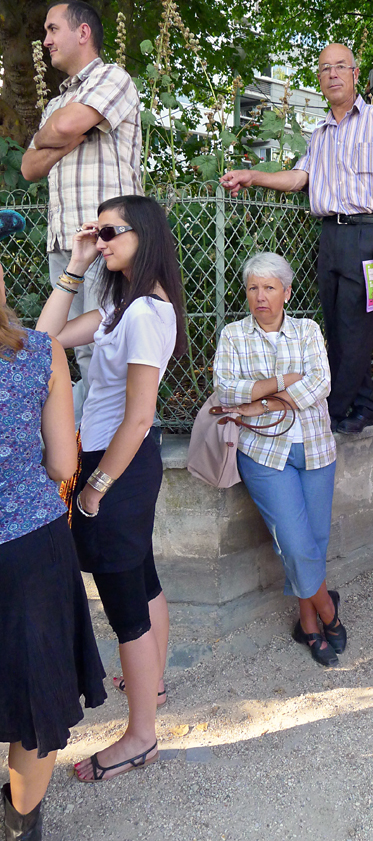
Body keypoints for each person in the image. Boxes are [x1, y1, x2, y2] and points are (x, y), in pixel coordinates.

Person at [36, 195, 186, 783]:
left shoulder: (146, 314)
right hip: (116, 462)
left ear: (142, 234)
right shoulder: (123, 308)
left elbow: (141, 415)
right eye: (96, 233)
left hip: (116, 465)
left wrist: (96, 486)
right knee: (140, 578)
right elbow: (46, 337)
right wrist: (75, 264)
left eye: (108, 232)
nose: (100, 242)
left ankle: (141, 735)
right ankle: (155, 684)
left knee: (124, 601)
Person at [220, 43, 373, 435]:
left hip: (369, 233)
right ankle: (359, 407)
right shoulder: (320, 134)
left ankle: (328, 410)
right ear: (319, 78)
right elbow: (298, 178)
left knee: (360, 328)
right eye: (325, 68)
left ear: (356, 73)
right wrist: (253, 176)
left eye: (340, 66)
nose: (332, 74)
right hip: (330, 237)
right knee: (338, 328)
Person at [0, 214, 106, 839]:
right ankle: (18, 823)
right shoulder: (40, 356)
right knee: (34, 704)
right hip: (29, 547)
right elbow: (64, 462)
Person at [214, 252, 346, 667]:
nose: (260, 296)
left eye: (269, 287)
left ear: (286, 292)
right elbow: (227, 391)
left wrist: (263, 400)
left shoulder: (307, 331)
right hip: (265, 454)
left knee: (315, 542)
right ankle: (328, 610)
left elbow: (321, 382)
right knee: (294, 540)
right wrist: (283, 384)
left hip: (316, 448)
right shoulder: (234, 335)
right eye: (253, 287)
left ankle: (307, 620)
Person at [21, 0, 142, 420]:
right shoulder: (58, 102)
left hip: (109, 240)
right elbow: (29, 166)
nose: (46, 40)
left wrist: (59, 134)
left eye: (53, 30)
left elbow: (63, 129)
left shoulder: (115, 78)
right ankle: (90, 444)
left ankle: (131, 441)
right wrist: (67, 133)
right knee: (74, 348)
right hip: (66, 242)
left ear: (83, 33)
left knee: (115, 347)